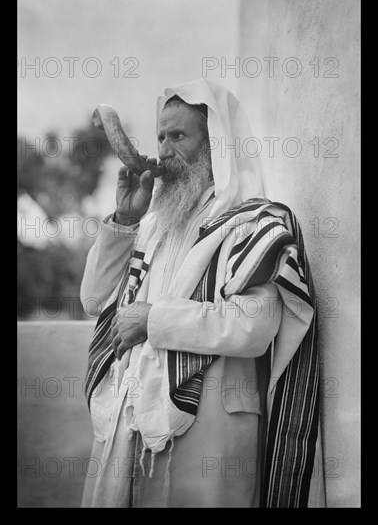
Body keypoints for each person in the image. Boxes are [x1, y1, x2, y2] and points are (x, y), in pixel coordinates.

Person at [80, 79, 324, 508]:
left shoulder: (252, 223)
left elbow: (255, 326)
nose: (164, 149)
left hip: (210, 432)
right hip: (132, 425)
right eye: (160, 136)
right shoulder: (152, 224)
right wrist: (123, 220)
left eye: (178, 136)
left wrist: (152, 320)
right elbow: (95, 302)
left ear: (216, 145)